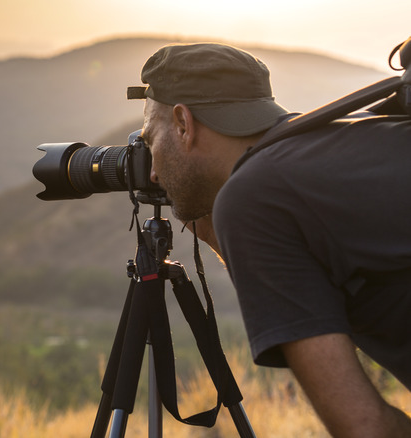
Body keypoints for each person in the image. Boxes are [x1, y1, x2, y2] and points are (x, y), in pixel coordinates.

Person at [128, 42, 411, 437]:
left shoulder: (254, 197)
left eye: (149, 139)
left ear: (182, 124)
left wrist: (232, 211)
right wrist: (211, 223)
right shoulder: (345, 138)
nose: (153, 171)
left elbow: (368, 429)